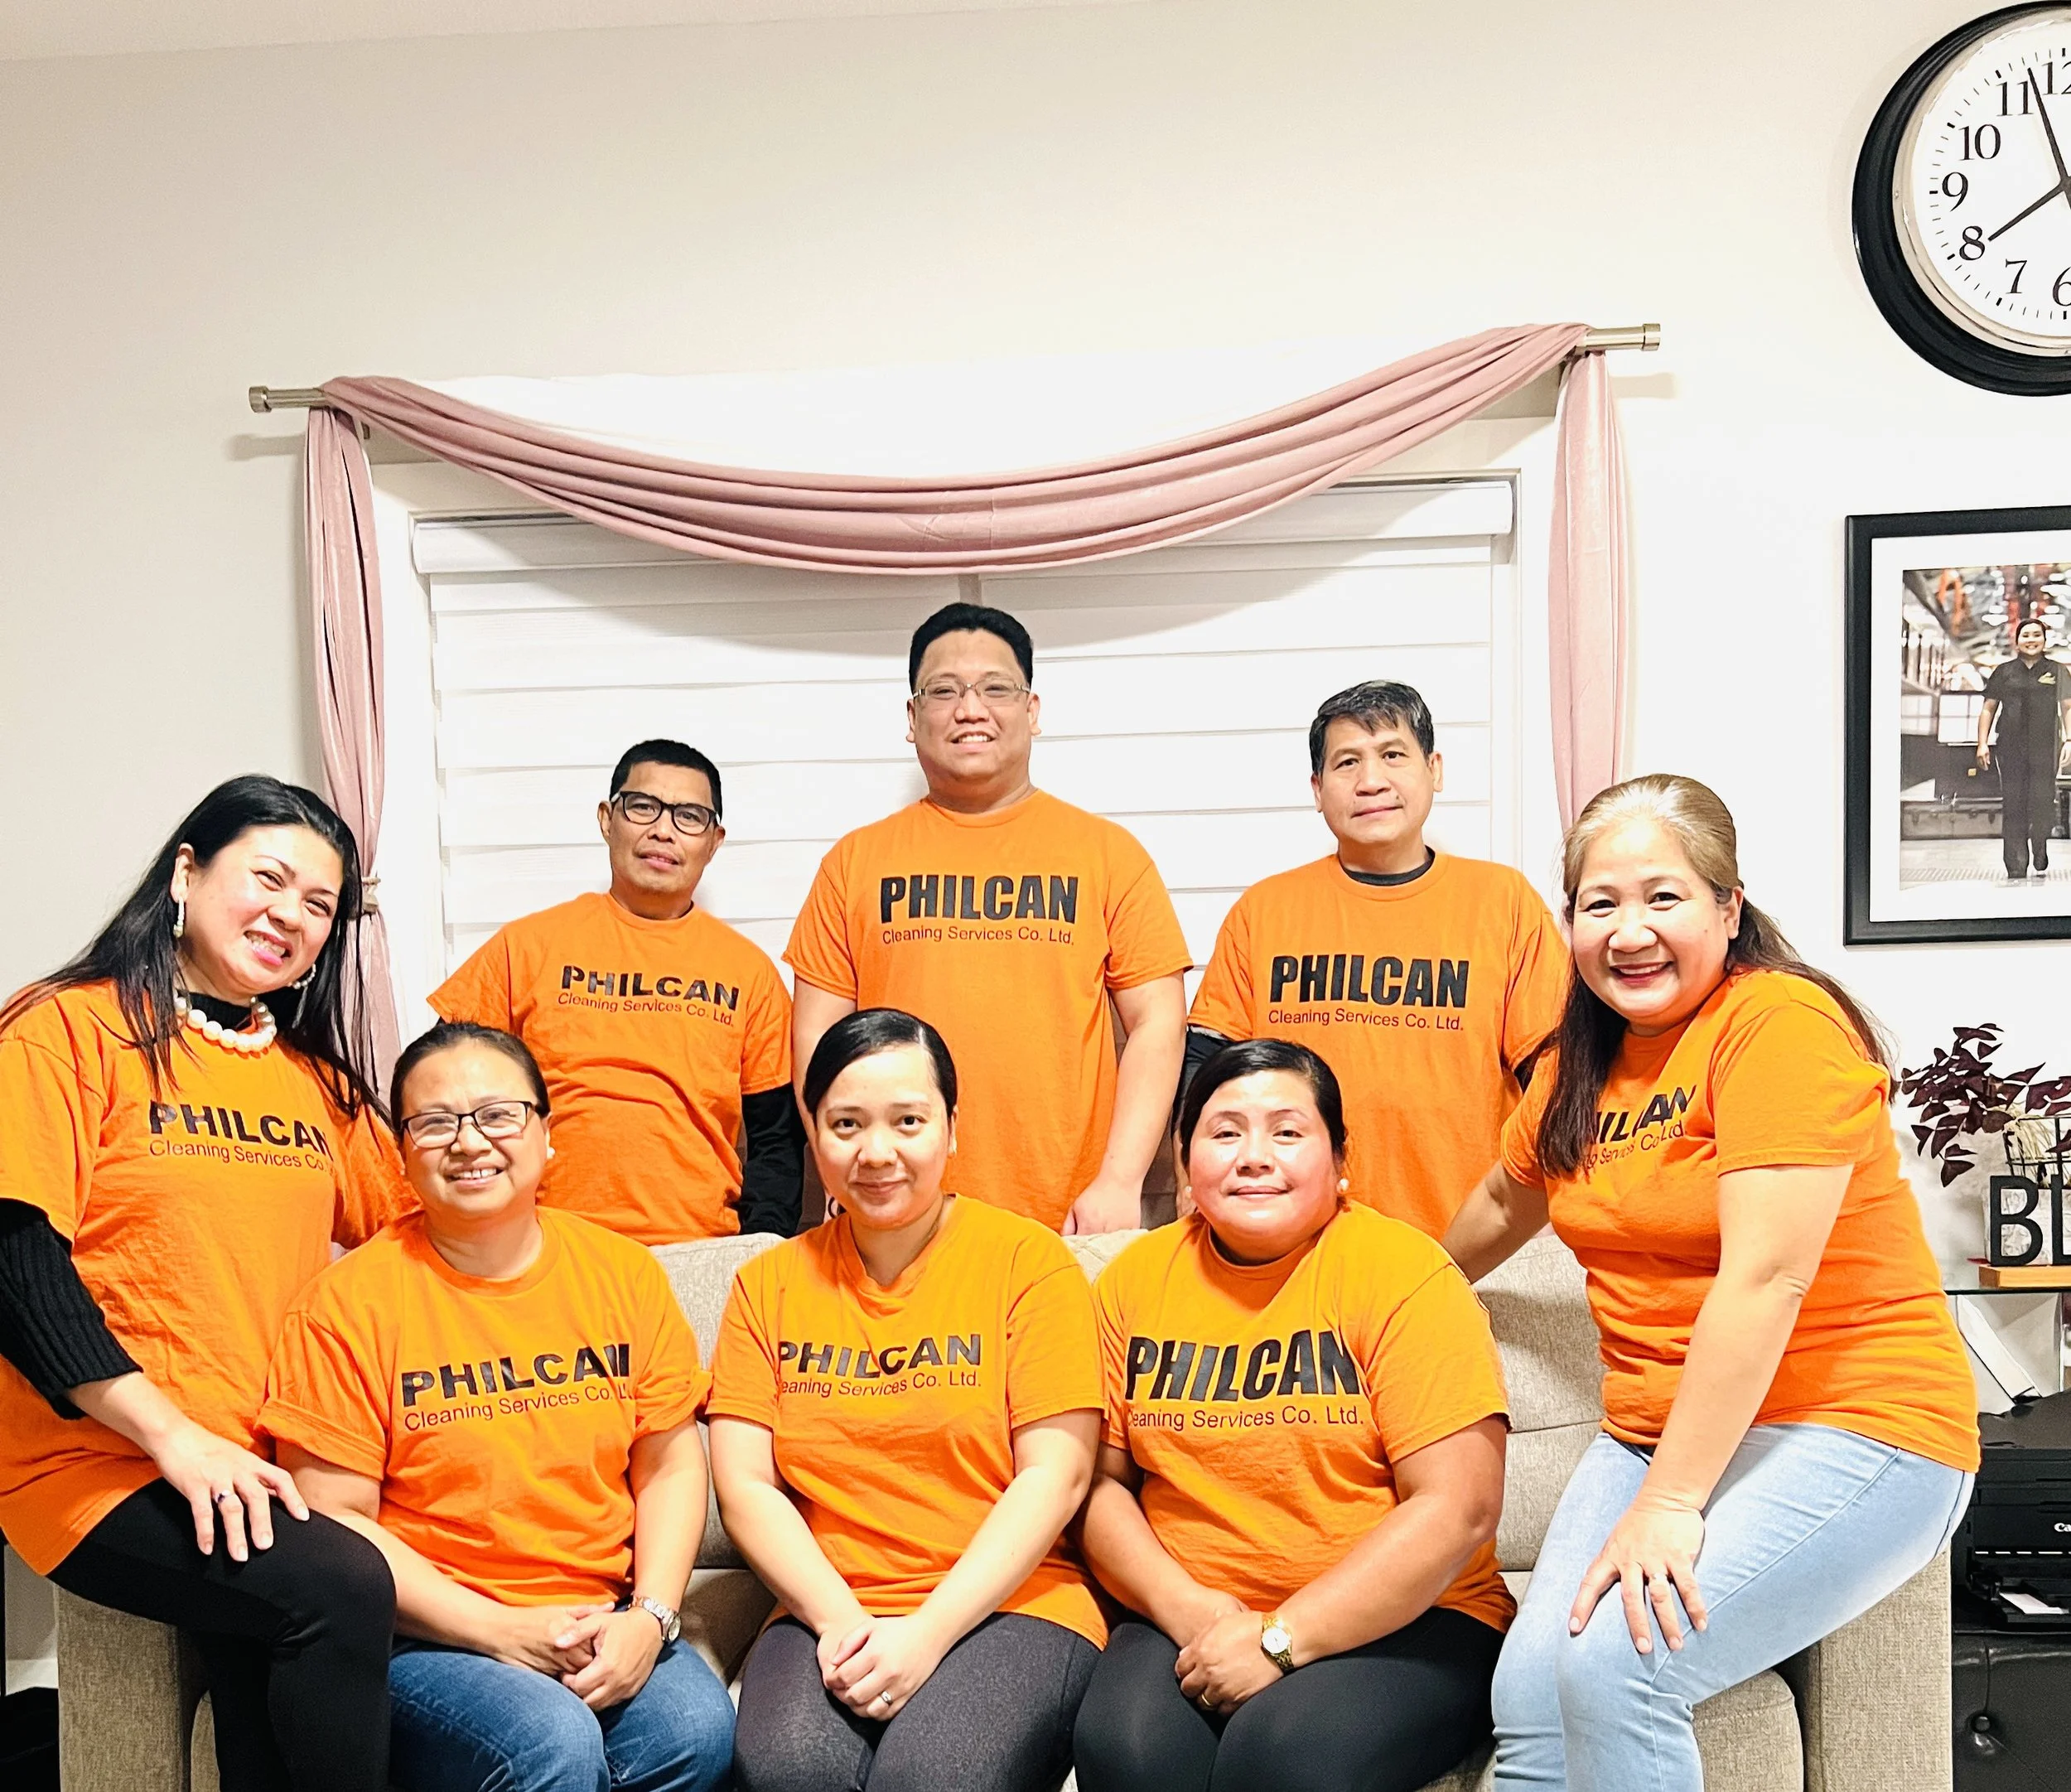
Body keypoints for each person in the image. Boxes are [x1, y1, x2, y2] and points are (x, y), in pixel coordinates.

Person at [1441, 773, 1979, 1792]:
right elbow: (1500, 1207)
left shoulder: (1778, 1025)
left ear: (1727, 910)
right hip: (1652, 1426)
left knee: (1614, 1669)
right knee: (1531, 1693)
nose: (1628, 930)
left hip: (1856, 1423)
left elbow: (1766, 1278)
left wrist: (1669, 1502)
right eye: (1599, 904)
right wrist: (1374, 1296)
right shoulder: (1577, 1066)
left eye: (1663, 896)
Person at [0, 775, 410, 1792]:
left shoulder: (316, 1083)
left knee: (266, 1683)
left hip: (257, 1463)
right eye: (268, 879)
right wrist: (173, 1438)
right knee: (341, 1585)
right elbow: (15, 1256)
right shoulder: (67, 1030)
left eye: (320, 905)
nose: (292, 916)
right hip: (102, 1463)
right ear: (187, 871)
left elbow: (419, 1238)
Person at [260, 1021, 733, 1792]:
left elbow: (671, 1461)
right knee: (551, 1743)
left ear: (547, 1135)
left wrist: (649, 1618)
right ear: (403, 1154)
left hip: (596, 1610)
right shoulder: (347, 1307)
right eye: (436, 1122)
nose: (469, 1141)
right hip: (426, 1636)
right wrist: (499, 1631)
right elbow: (336, 1525)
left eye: (498, 1114)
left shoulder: (623, 1273)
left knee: (695, 1732)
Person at [1073, 1038, 1511, 1792]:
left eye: (1287, 1130)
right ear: (1184, 1160)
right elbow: (1096, 1485)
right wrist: (1194, 1613)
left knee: (1285, 1761)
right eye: (1224, 1131)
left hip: (1414, 1615)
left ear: (1340, 1158)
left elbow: (1459, 1506)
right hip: (1199, 1606)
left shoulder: (1405, 1274)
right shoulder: (1133, 1282)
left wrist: (1280, 1638)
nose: (1254, 1155)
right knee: (1127, 1751)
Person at [711, 1007, 1104, 1792]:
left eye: (909, 1120)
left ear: (952, 1129)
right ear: (814, 1131)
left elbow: (1055, 1475)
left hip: (1014, 1603)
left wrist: (927, 1632)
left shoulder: (1029, 1263)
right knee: (790, 1770)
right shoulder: (769, 1283)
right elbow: (746, 1483)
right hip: (831, 1600)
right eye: (846, 1123)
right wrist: (839, 1619)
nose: (877, 1151)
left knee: (933, 1778)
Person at [785, 602, 1190, 1233]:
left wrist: (1120, 1180)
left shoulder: (1108, 855)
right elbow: (815, 1040)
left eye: (995, 688)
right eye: (944, 690)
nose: (969, 708)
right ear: (913, 717)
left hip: (1067, 1220)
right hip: (898, 1215)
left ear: (1031, 711)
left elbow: (1159, 1023)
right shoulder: (854, 861)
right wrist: (842, 1171)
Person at [1186, 681, 1567, 1239]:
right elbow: (1204, 1077)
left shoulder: (1503, 904)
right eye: (1347, 762)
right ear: (1317, 788)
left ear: (1434, 769)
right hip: (1292, 1249)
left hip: (1460, 1249)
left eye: (1393, 754)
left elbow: (1558, 1083)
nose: (1371, 781)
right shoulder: (1263, 911)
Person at [432, 738, 802, 1241]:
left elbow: (775, 1141)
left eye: (688, 816)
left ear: (714, 841)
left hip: (697, 1249)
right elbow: (439, 1087)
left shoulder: (750, 973)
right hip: (546, 1246)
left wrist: (759, 1248)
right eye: (644, 807)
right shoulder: (526, 947)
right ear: (608, 819)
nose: (663, 830)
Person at [1977, 616, 2071, 878]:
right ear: (2017, 640)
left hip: (2046, 747)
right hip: (2010, 747)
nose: (2031, 640)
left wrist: (2070, 740)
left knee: (2041, 801)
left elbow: (2067, 707)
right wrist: (1982, 743)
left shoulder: (2058, 671)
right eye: (2026, 635)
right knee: (2014, 802)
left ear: (2044, 639)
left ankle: (2039, 844)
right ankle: (2016, 862)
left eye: (2036, 635)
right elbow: (1988, 709)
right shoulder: (2004, 672)